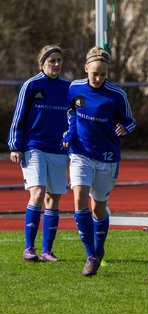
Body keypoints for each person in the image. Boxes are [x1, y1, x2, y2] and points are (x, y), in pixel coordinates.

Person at [62, 46, 137, 276]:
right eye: (94, 73)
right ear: (86, 69)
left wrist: (124, 127)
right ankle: (91, 256)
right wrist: (70, 135)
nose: (98, 78)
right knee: (79, 200)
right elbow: (71, 113)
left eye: (103, 74)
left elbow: (131, 121)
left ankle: (99, 248)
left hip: (106, 157)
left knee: (98, 209)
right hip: (80, 153)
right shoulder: (74, 88)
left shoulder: (116, 95)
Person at [8, 45, 70, 262]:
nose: (56, 64)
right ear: (42, 63)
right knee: (37, 193)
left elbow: (74, 118)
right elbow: (19, 115)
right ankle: (29, 248)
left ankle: (47, 251)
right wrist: (15, 145)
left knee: (53, 198)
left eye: (59, 60)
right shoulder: (32, 85)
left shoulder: (68, 87)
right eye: (51, 60)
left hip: (59, 149)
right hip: (34, 146)